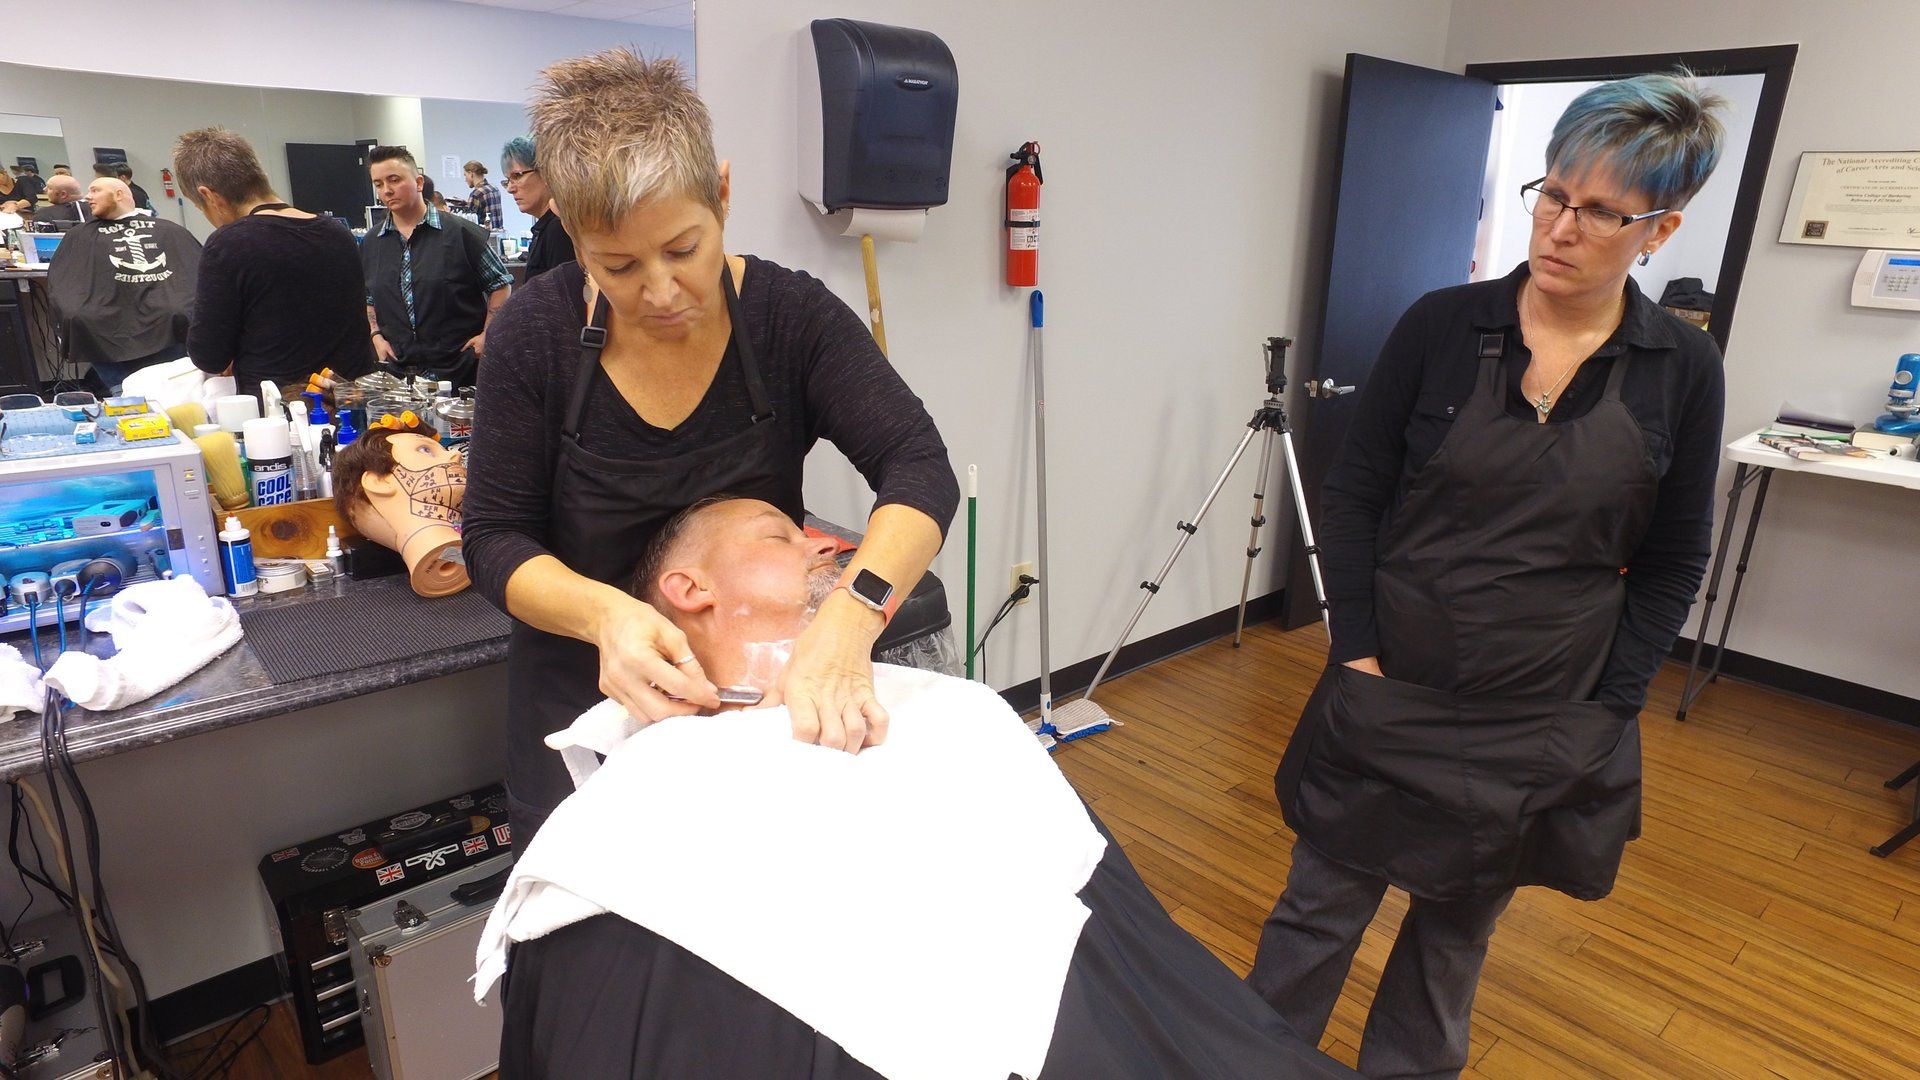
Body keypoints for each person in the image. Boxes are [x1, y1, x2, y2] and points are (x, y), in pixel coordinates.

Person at [485, 496, 1354, 1080]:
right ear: (688, 590)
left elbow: (1127, 950)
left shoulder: (954, 715)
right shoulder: (640, 806)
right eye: (781, 535)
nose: (829, 542)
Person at [1250, 72, 1729, 1079]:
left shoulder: (1678, 370)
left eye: (1600, 211)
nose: (1559, 228)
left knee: (1452, 944)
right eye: (1551, 195)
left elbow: (1677, 554)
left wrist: (1613, 702)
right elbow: (1354, 496)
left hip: (1539, 709)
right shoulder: (1440, 325)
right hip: (1394, 686)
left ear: (1661, 229)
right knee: (1315, 916)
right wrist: (1360, 653)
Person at [461, 49, 959, 846]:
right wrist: (607, 619)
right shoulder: (536, 334)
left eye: (683, 249)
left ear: (722, 193)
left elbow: (920, 469)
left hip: (761, 708)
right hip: (587, 701)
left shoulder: (789, 320)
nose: (658, 293)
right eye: (616, 266)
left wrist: (852, 614)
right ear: (570, 235)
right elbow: (492, 538)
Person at [173, 127, 373, 402]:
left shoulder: (230, 243)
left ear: (210, 196)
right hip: (351, 402)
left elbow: (209, 354)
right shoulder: (337, 233)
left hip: (282, 413)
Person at [360, 145, 511, 386]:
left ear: (419, 183)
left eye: (394, 180)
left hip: (460, 372)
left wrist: (488, 335)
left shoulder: (462, 234)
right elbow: (369, 297)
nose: (387, 190)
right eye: (378, 184)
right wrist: (376, 335)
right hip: (401, 374)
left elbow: (500, 284)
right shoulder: (372, 242)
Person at [51, 179, 201, 391]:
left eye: (95, 190)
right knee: (78, 317)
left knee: (177, 311)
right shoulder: (80, 235)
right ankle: (119, 388)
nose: (88, 197)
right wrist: (74, 307)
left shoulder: (170, 231)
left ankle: (169, 387)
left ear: (119, 194)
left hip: (164, 316)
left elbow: (194, 276)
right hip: (102, 315)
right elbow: (66, 282)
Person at [499, 135, 573, 281]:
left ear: (546, 173)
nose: (510, 188)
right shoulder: (543, 230)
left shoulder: (558, 229)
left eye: (518, 176)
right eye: (507, 180)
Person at [463, 160, 501, 230]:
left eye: (465, 175)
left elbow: (469, 222)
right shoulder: (494, 189)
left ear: (471, 174)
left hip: (484, 236)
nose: (465, 179)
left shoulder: (476, 194)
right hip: (498, 234)